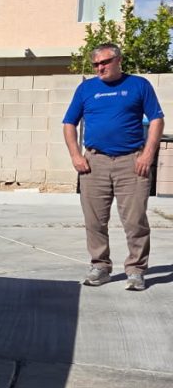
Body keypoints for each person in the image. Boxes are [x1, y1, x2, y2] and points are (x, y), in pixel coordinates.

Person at [62, 43, 165, 291]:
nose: (100, 68)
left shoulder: (139, 85)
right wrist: (76, 155)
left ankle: (136, 270)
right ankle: (100, 266)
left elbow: (157, 119)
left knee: (135, 220)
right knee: (94, 220)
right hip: (94, 163)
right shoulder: (86, 89)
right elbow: (68, 124)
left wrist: (147, 155)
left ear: (118, 60)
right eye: (96, 64)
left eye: (104, 63)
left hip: (132, 162)